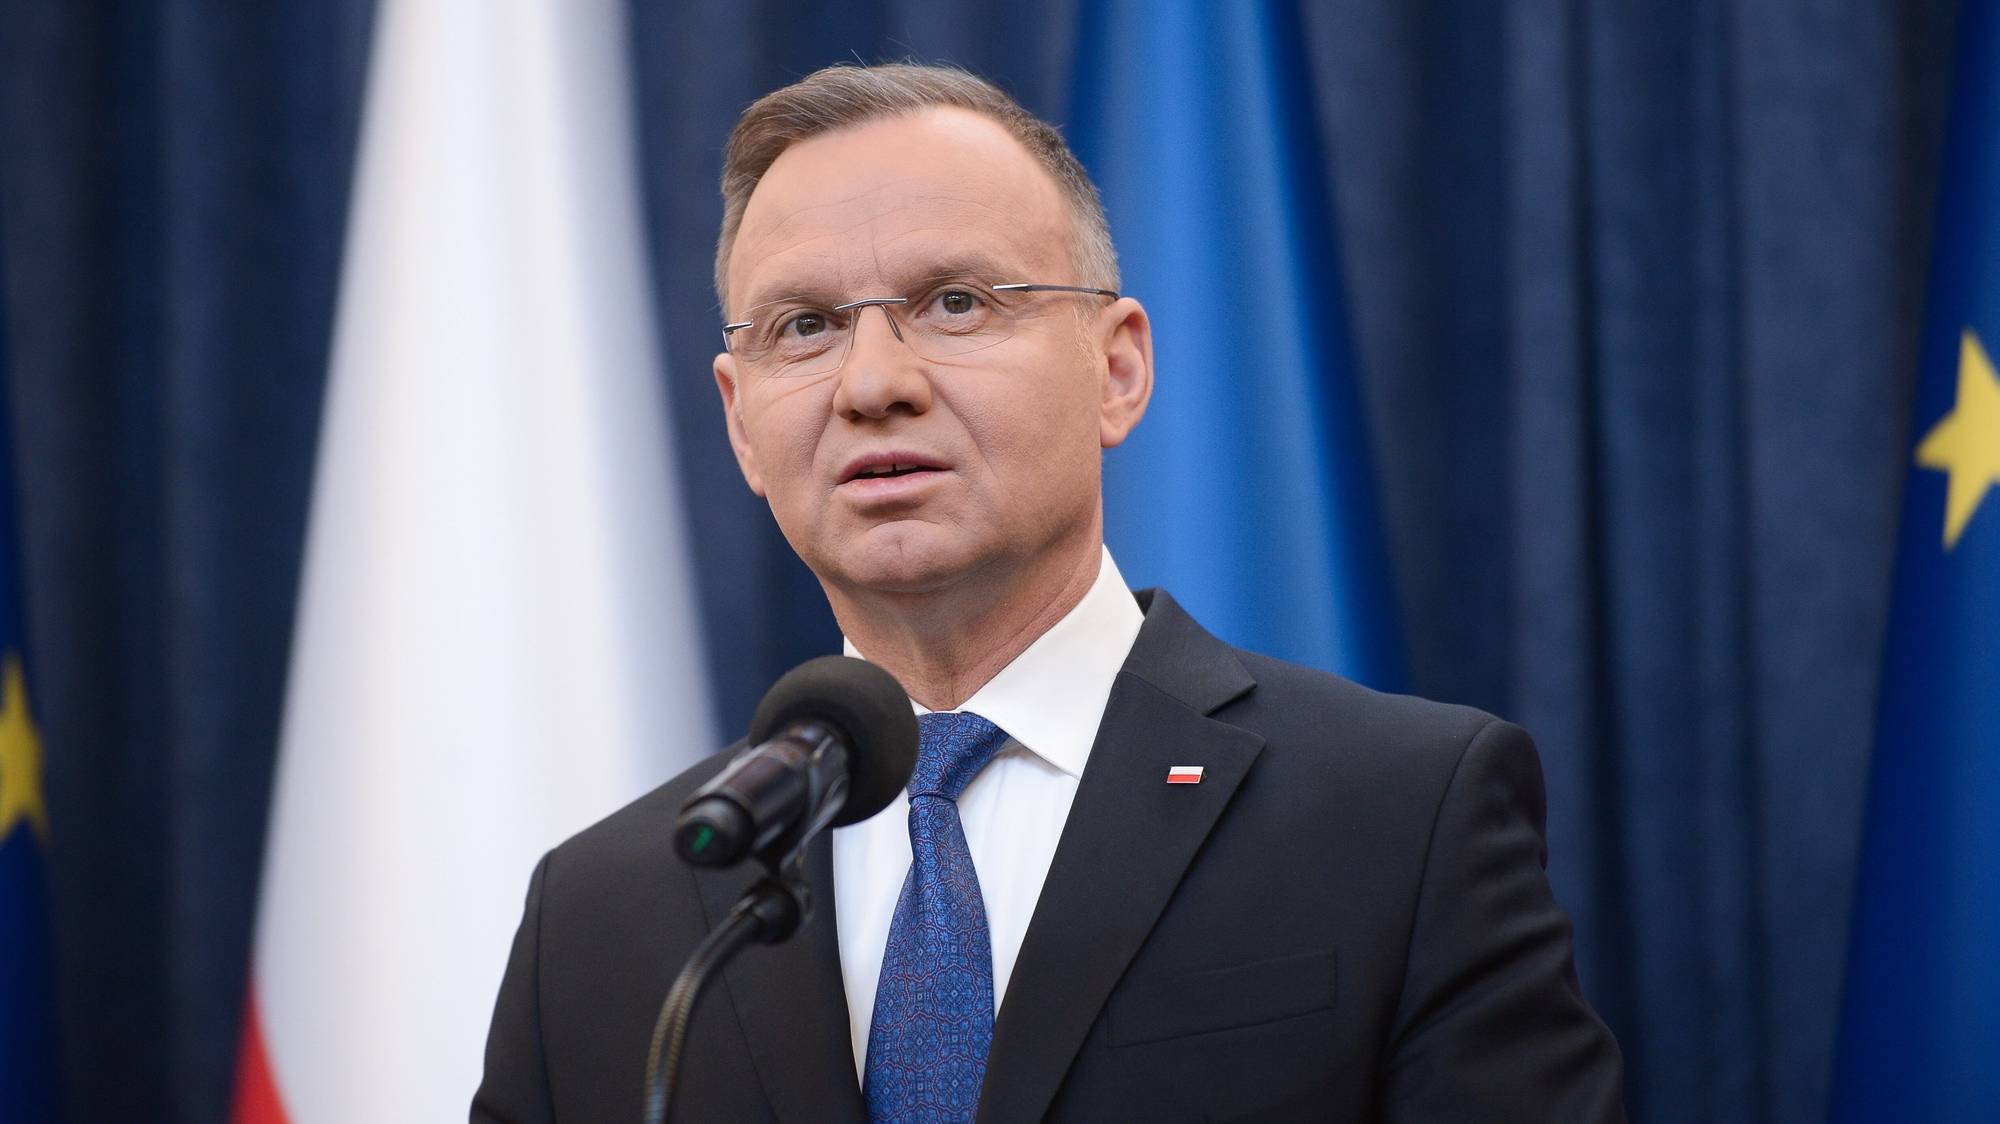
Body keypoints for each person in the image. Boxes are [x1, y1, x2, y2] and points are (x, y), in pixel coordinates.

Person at [473, 63, 1624, 1123]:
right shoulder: (606, 914)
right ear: (740, 421)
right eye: (805, 326)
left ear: (1115, 368)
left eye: (955, 302)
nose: (873, 382)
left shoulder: (1401, 817)